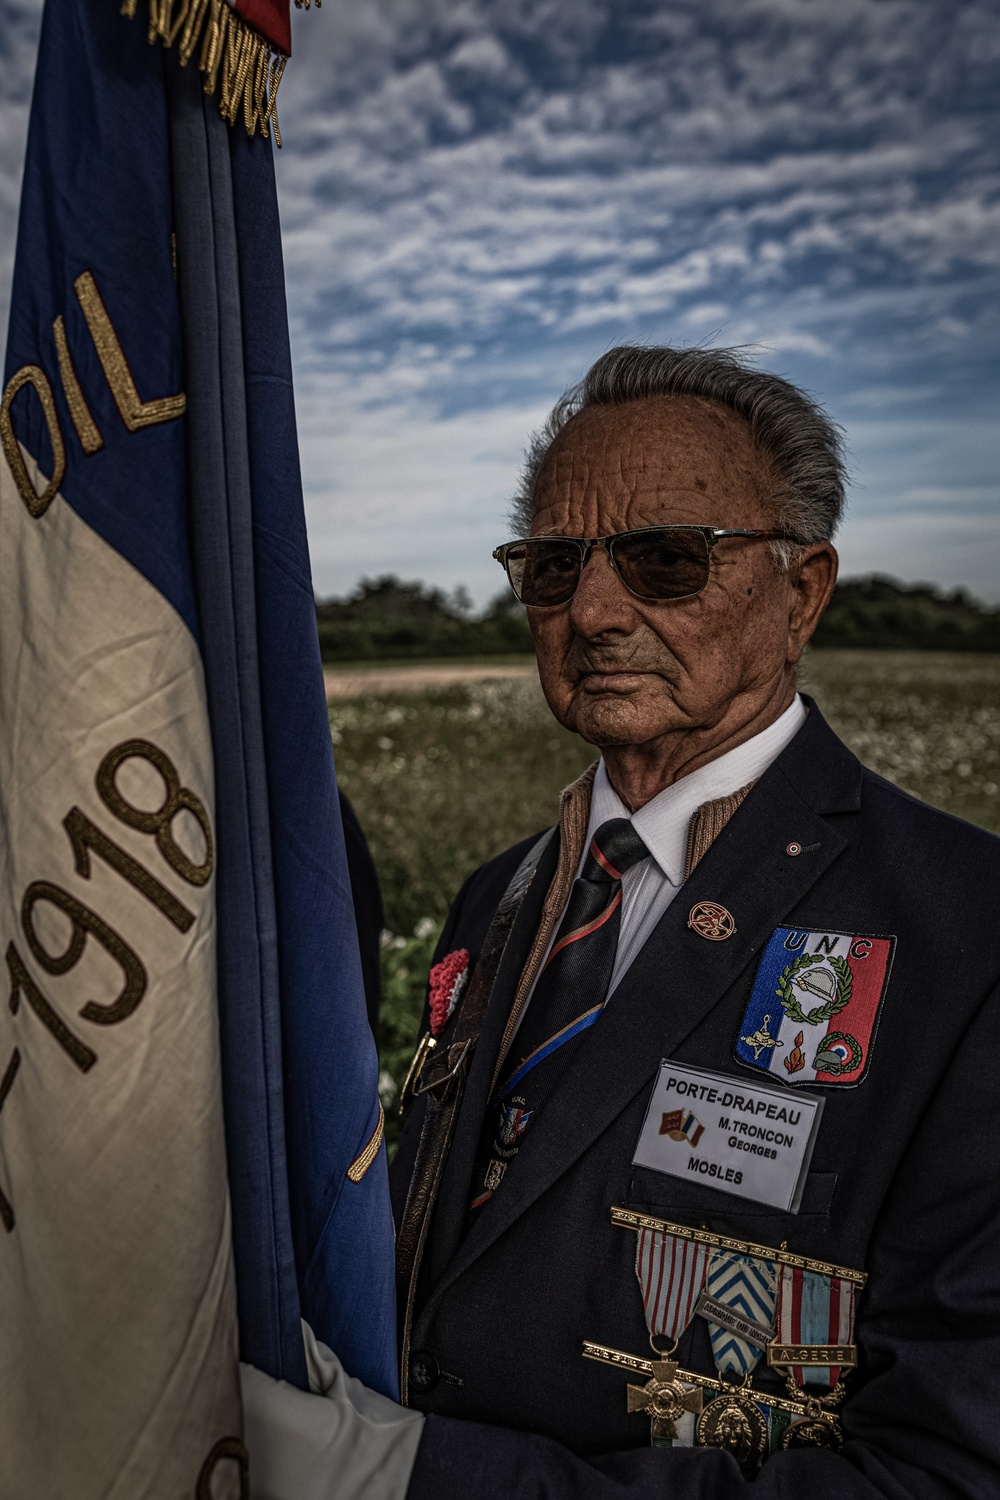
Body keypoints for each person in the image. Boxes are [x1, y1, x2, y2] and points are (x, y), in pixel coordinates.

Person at [242, 346, 1000, 1500]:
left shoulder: (966, 934)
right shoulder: (500, 893)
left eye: (665, 559)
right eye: (552, 566)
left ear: (800, 593)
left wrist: (419, 1480)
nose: (593, 609)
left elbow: (945, 1472)